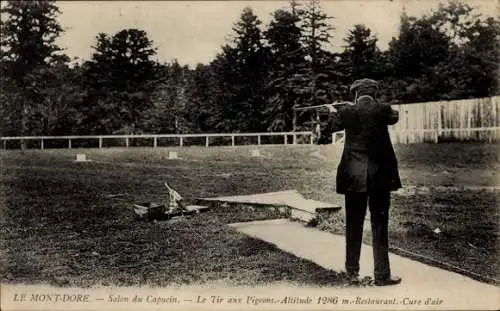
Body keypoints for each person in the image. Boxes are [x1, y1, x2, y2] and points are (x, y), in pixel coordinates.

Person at [317, 78, 402, 286]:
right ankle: (382, 275)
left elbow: (327, 130)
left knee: (354, 224)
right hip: (380, 177)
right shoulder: (383, 110)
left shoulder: (346, 112)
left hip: (353, 178)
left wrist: (331, 112)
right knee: (379, 225)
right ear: (374, 94)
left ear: (355, 94)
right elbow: (394, 116)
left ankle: (351, 272)